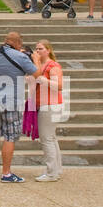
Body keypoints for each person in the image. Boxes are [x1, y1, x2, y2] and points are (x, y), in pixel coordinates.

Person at [0, 31, 37, 183]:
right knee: (10, 136)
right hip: (11, 101)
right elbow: (36, 73)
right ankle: (6, 173)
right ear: (18, 44)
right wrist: (34, 58)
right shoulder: (20, 56)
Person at [28, 40, 65, 181]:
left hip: (50, 104)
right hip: (42, 103)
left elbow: (60, 85)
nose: (38, 51)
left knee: (46, 139)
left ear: (48, 50)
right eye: (36, 49)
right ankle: (56, 169)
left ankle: (51, 172)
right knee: (51, 138)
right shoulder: (39, 66)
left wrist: (44, 80)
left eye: (41, 49)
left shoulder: (52, 66)